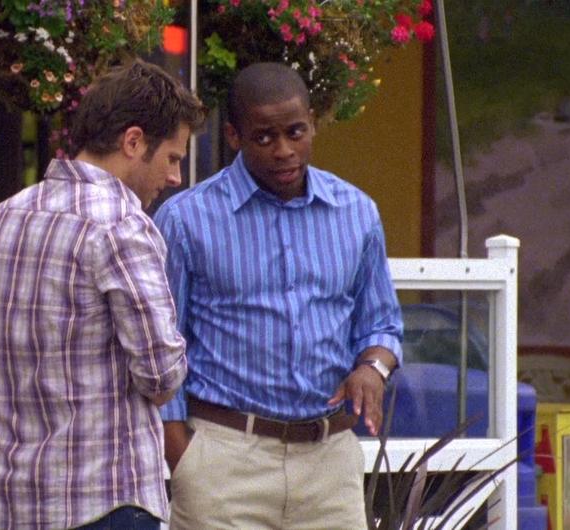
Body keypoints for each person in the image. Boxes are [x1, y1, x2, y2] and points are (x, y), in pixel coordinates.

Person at [156, 62, 403, 529]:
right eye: (264, 137)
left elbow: (382, 323)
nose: (284, 150)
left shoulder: (357, 212)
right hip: (225, 461)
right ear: (234, 136)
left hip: (330, 463)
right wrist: (182, 457)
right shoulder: (186, 220)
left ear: (312, 122)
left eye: (295, 131)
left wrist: (373, 367)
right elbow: (162, 344)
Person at [0, 59, 206, 530]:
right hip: (105, 500)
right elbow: (161, 377)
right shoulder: (122, 223)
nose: (176, 177)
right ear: (133, 141)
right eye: (173, 158)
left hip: (16, 500)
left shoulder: (3, 216)